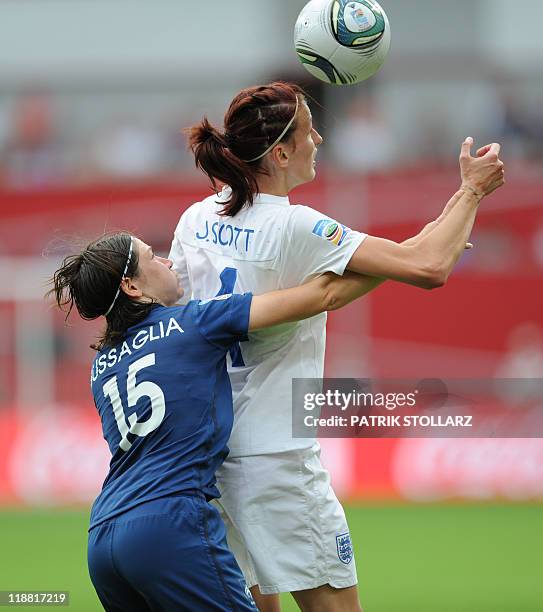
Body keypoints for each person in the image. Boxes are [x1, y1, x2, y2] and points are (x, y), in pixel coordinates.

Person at [169, 81, 505, 612]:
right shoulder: (295, 224)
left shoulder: (197, 218)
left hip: (208, 451)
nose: (320, 139)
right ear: (280, 153)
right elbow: (429, 267)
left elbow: (176, 315)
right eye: (309, 131)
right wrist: (472, 192)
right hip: (276, 453)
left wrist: (412, 245)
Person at [48, 231, 386, 611]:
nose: (168, 262)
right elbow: (323, 296)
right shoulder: (196, 322)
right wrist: (403, 262)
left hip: (103, 537)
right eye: (152, 257)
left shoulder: (101, 365)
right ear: (131, 285)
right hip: (170, 524)